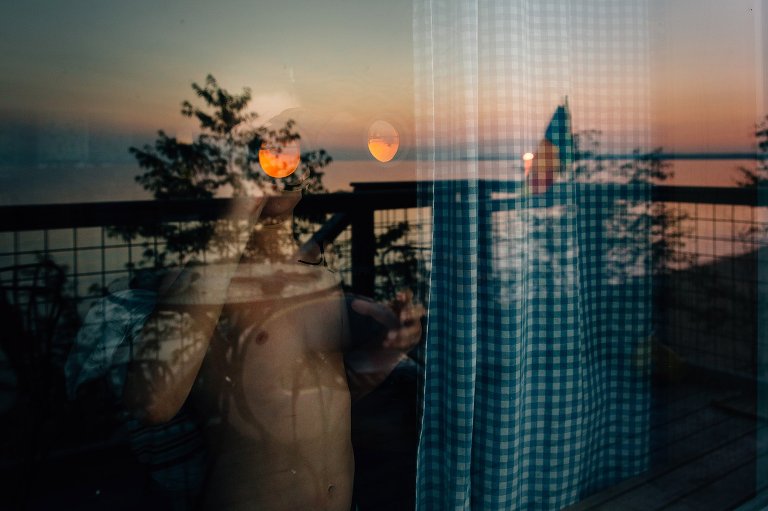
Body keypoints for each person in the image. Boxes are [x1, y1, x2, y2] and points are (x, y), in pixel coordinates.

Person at [66, 189, 423, 511]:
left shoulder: (320, 279)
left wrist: (386, 349)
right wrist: (237, 220)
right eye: (260, 148)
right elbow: (152, 402)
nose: (277, 158)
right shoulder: (197, 285)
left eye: (287, 147)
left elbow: (328, 402)